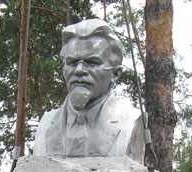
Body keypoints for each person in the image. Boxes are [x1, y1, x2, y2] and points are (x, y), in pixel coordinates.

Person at [32, 19, 145, 161]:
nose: (79, 70)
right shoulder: (46, 124)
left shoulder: (130, 121)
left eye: (92, 62)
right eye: (72, 62)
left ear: (115, 74)